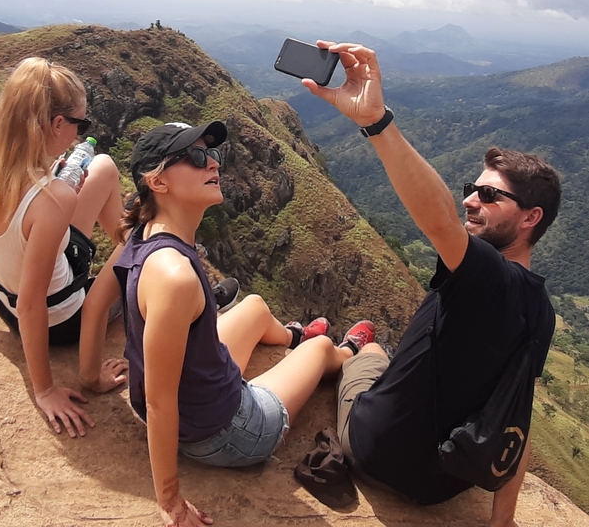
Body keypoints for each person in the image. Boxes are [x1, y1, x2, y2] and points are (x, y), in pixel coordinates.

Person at [301, 41, 561, 527]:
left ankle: (337, 348)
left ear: (531, 217)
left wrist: (376, 123)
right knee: (383, 352)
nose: (470, 202)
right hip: (442, 483)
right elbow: (516, 415)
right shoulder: (540, 312)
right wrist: (502, 520)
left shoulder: (486, 276)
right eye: (471, 190)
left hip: (378, 455)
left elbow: (440, 219)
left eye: (488, 195)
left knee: (371, 354)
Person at [116, 120, 374, 527]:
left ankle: (293, 334)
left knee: (253, 306)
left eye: (213, 155)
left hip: (199, 393)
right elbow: (160, 400)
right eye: (198, 157)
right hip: (225, 432)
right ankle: (347, 351)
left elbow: (100, 301)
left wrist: (92, 375)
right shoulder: (175, 276)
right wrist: (169, 499)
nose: (214, 165)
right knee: (320, 350)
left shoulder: (142, 233)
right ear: (158, 182)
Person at [0, 57, 129, 438]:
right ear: (56, 125)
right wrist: (45, 391)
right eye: (80, 124)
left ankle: (127, 242)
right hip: (60, 321)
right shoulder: (52, 200)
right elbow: (32, 305)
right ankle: (143, 256)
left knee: (103, 166)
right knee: (136, 241)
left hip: (4, 304)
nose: (81, 133)